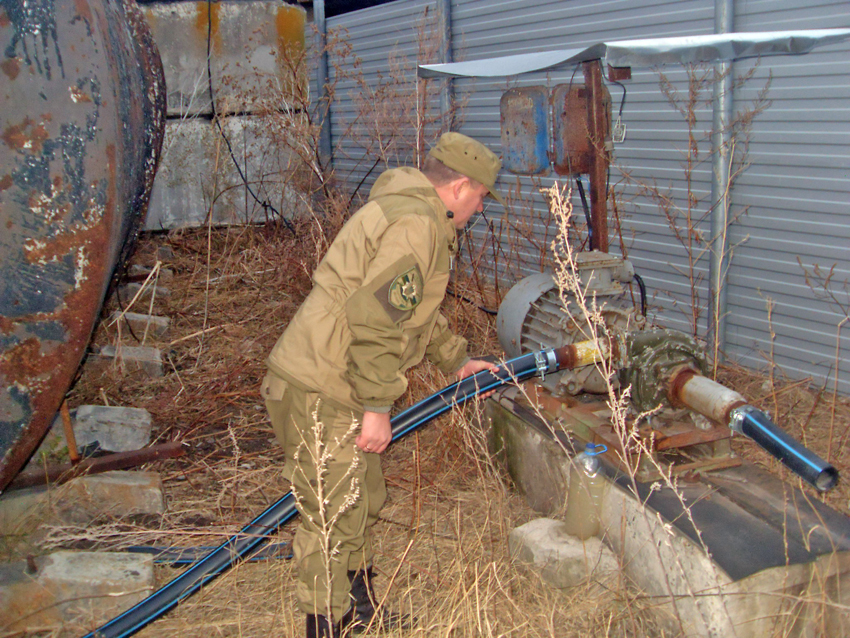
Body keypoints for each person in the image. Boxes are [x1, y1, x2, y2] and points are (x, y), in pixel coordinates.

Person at [262, 132, 503, 638]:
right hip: (321, 387)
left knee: (362, 498)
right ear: (460, 187)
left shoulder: (416, 215)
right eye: (481, 196)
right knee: (330, 515)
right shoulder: (417, 224)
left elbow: (413, 308)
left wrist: (455, 360)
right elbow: (375, 319)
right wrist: (377, 405)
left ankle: (360, 612)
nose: (480, 208)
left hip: (337, 381)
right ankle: (325, 628)